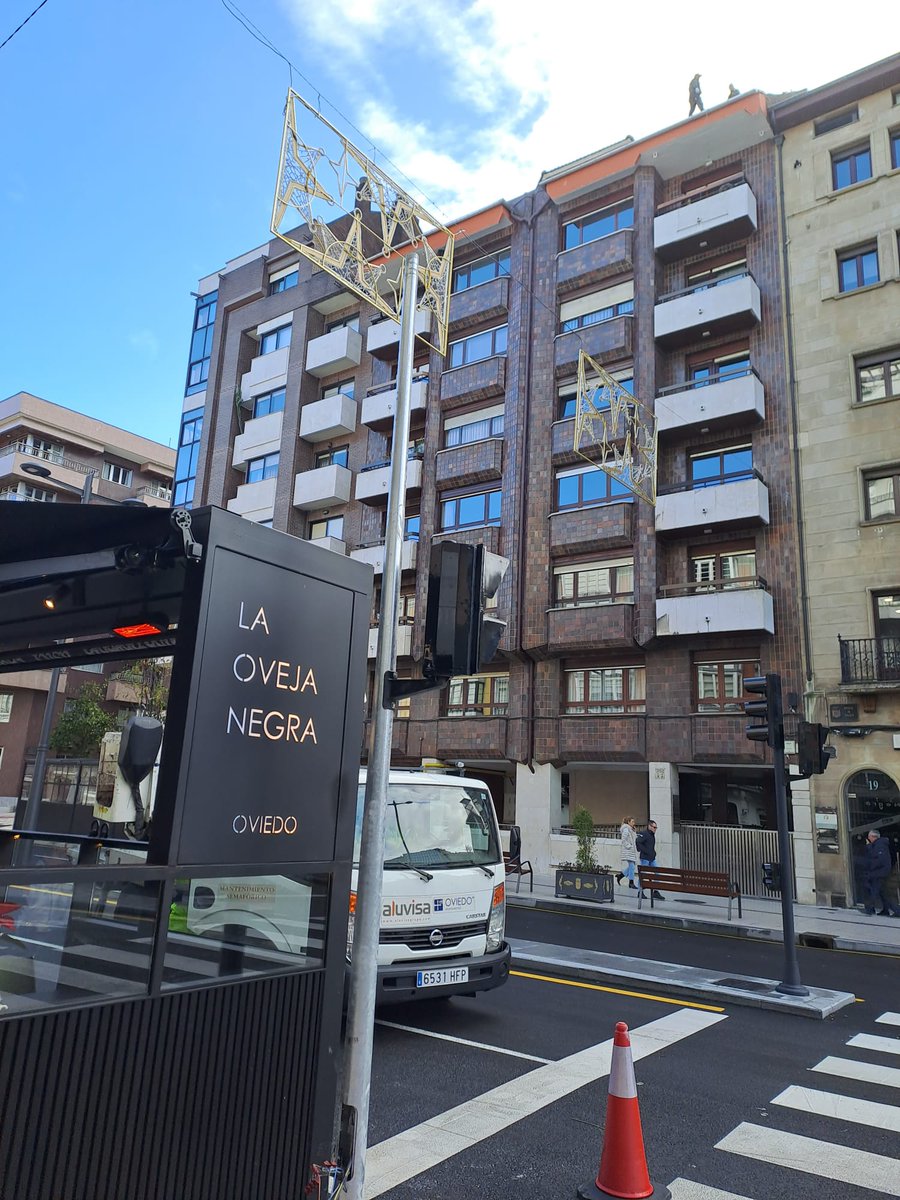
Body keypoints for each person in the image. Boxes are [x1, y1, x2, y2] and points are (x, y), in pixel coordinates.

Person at [863, 830, 900, 916]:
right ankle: (887, 910)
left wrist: (871, 869)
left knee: (873, 890)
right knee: (882, 892)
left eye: (869, 837)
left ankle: (869, 909)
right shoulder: (877, 845)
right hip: (880, 872)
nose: (868, 839)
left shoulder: (880, 845)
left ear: (873, 837)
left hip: (879, 873)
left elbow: (878, 860)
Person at [636, 819, 666, 901]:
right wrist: (645, 851)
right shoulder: (644, 834)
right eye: (654, 827)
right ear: (649, 826)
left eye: (656, 828)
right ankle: (640, 891)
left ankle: (655, 891)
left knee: (657, 872)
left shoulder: (652, 835)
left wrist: (652, 852)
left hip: (651, 858)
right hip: (645, 858)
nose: (655, 829)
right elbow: (638, 842)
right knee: (643, 875)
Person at [616, 816, 639, 890]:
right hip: (628, 851)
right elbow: (624, 840)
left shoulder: (631, 829)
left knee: (631, 866)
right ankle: (631, 883)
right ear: (628, 822)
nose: (633, 823)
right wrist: (630, 846)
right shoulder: (626, 829)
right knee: (632, 867)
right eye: (632, 821)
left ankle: (621, 875)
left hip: (631, 851)